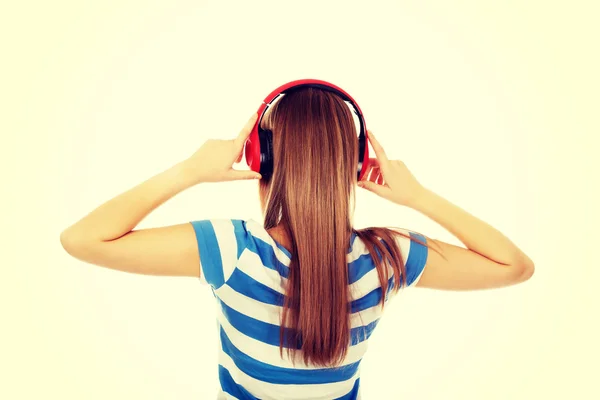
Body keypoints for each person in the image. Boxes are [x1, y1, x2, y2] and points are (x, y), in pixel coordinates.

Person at [60, 87, 534, 400]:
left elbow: (82, 239)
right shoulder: (385, 256)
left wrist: (189, 171)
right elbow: (514, 266)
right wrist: (417, 196)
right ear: (352, 166)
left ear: (261, 161)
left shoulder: (232, 251)